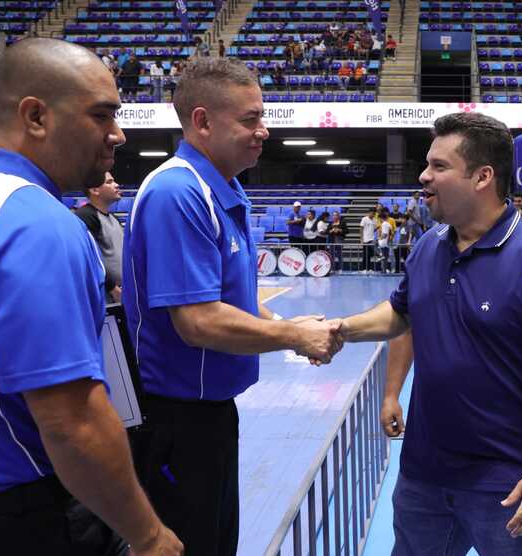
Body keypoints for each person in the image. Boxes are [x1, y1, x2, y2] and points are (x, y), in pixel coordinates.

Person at [338, 112, 522, 555]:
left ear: (482, 177)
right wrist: (340, 329)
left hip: (510, 482)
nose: (424, 175)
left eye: (439, 166)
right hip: (424, 476)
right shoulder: (428, 246)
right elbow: (400, 313)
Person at [121, 57, 343, 556]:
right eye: (250, 119)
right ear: (202, 121)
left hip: (211, 413)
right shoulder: (178, 192)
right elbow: (198, 321)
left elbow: (231, 300)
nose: (264, 130)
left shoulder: (224, 188)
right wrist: (293, 336)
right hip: (175, 420)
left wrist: (289, 326)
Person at [0, 38, 182, 555]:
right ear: (35, 117)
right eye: (102, 115)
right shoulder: (37, 225)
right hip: (26, 510)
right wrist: (148, 534)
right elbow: (71, 422)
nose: (118, 134)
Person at [76, 171, 125, 303]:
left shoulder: (114, 218)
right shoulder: (85, 216)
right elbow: (90, 257)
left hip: (121, 291)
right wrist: (112, 287)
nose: (116, 185)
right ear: (94, 190)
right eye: (109, 182)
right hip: (106, 294)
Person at [360, 206, 376, 271]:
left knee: (369, 255)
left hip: (372, 240)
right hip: (365, 239)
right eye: (372, 213)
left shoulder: (374, 220)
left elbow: (374, 229)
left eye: (374, 213)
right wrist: (361, 239)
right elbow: (361, 229)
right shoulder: (364, 219)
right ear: (369, 212)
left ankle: (368, 268)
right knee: (365, 255)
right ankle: (363, 269)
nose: (373, 214)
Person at [377, 208, 392, 273]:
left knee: (374, 243)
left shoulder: (384, 224)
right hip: (386, 243)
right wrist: (388, 240)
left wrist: (379, 239)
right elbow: (390, 233)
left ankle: (380, 255)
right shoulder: (388, 224)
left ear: (381, 218)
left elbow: (385, 234)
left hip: (383, 243)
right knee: (385, 258)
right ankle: (384, 270)